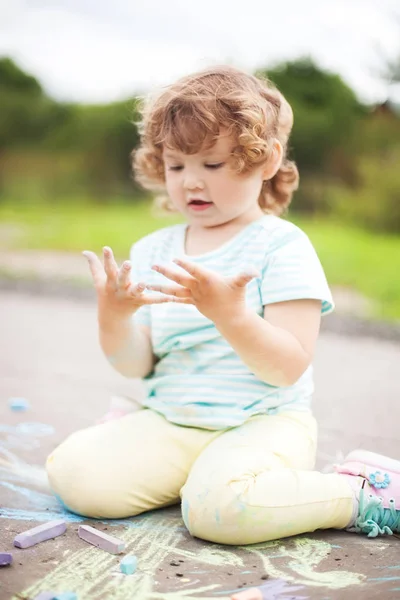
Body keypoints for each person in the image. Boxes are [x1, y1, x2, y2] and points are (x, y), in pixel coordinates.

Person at [46, 65, 399, 545]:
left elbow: (288, 366)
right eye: (176, 165)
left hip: (265, 423)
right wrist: (114, 315)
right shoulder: (155, 250)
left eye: (211, 165)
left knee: (220, 513)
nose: (191, 182)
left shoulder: (281, 246)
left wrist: (229, 314)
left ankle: (356, 493)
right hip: (176, 419)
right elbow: (135, 363)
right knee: (75, 474)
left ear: (266, 159)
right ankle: (191, 472)